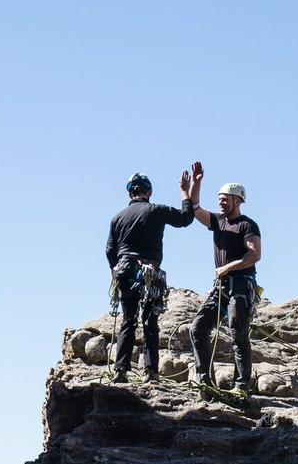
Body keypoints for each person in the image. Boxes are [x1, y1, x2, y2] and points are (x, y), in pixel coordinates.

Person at [105, 170, 194, 383]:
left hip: (125, 271)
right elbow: (185, 218)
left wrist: (115, 269)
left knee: (128, 320)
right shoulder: (156, 210)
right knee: (149, 321)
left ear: (129, 195)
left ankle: (120, 370)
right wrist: (184, 192)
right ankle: (151, 371)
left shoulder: (117, 218)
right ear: (149, 192)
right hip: (149, 272)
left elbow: (110, 250)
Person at [187, 161, 261, 400]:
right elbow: (195, 209)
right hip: (221, 287)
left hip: (240, 285)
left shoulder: (247, 225)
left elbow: (254, 254)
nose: (220, 201)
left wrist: (228, 267)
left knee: (238, 334)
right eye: (219, 198)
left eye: (225, 198)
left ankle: (241, 386)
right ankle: (205, 381)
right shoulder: (218, 222)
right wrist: (196, 183)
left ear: (237, 201)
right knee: (197, 328)